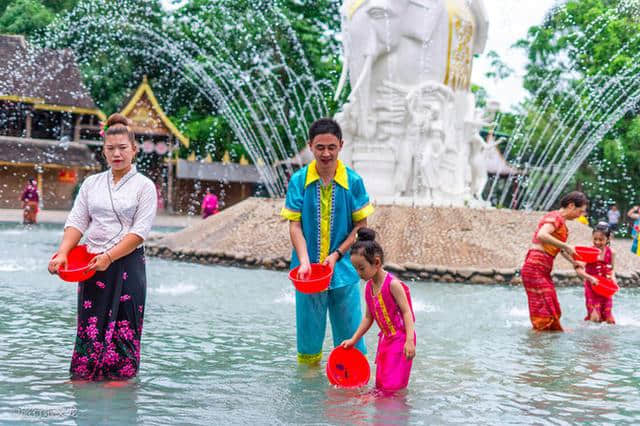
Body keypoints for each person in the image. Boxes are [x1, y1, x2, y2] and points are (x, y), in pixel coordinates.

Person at [48, 113, 157, 381]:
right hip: (91, 262)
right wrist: (63, 252)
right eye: (110, 149)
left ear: (134, 149)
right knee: (90, 322)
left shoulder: (145, 187)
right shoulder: (91, 184)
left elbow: (139, 232)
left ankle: (120, 378)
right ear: (104, 151)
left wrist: (110, 256)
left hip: (127, 262)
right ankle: (86, 374)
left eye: (122, 148)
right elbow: (77, 221)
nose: (116, 154)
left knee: (124, 321)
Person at [280, 118, 374, 364]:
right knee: (308, 345)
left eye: (331, 147)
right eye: (320, 147)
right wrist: (304, 261)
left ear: (341, 145)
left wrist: (336, 255)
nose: (326, 153)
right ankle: (309, 395)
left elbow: (360, 227)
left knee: (351, 341)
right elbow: (295, 226)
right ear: (310, 146)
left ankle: (350, 393)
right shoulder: (299, 181)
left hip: (345, 271)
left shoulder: (353, 181)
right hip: (307, 275)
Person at [341, 228, 416, 391]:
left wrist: (409, 341)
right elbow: (368, 317)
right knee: (380, 384)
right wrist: (353, 340)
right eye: (356, 269)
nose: (358, 273)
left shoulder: (393, 284)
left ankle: (394, 413)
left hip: (402, 339)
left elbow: (406, 312)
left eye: (361, 268)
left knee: (392, 387)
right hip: (386, 341)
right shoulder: (369, 287)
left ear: (376, 262)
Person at [520, 191, 588, 332]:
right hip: (534, 266)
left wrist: (573, 262)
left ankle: (552, 333)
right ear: (571, 206)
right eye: (580, 211)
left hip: (541, 269)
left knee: (550, 303)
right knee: (544, 304)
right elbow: (542, 235)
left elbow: (559, 249)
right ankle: (538, 342)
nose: (580, 215)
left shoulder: (561, 222)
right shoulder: (555, 217)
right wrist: (566, 245)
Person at [575, 223, 616, 324]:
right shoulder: (589, 252)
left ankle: (606, 339)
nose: (597, 242)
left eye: (601, 239)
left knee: (609, 319)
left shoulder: (611, 252)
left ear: (608, 238)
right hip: (592, 288)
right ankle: (591, 339)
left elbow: (611, 269)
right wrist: (590, 278)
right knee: (595, 318)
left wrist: (613, 278)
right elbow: (579, 270)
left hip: (606, 288)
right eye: (595, 239)